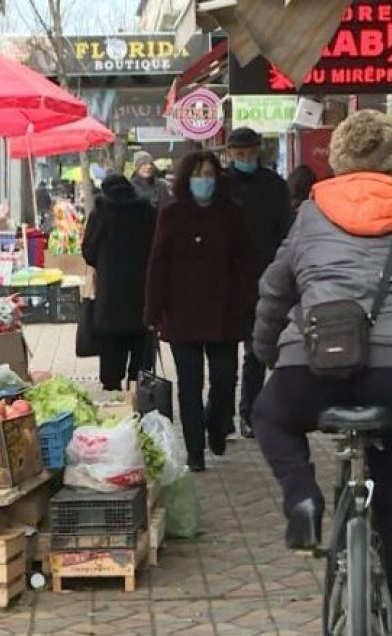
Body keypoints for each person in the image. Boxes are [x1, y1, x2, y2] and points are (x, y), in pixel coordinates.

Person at [251, 110, 392, 636]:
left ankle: (302, 496)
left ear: (337, 160)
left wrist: (269, 355)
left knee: (270, 415)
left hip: (313, 367)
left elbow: (273, 291)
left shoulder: (311, 214)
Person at [144, 150, 257, 472]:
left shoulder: (232, 213)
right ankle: (194, 450)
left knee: (224, 380)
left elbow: (247, 261)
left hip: (225, 310)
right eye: (197, 175)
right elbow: (157, 263)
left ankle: (216, 423)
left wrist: (250, 300)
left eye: (209, 175)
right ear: (185, 179)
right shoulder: (172, 213)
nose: (203, 181)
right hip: (182, 313)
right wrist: (152, 310)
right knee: (189, 385)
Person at [226, 126, 295, 439]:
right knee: (227, 354)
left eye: (251, 153)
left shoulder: (274, 185)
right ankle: (226, 414)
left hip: (267, 278)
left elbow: (287, 231)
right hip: (229, 281)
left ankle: (251, 412)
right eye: (240, 154)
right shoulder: (221, 185)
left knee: (259, 350)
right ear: (230, 154)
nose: (246, 159)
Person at [82, 175, 157, 392]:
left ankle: (114, 400)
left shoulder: (101, 214)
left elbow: (89, 252)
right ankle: (139, 402)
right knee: (141, 364)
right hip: (143, 297)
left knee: (112, 361)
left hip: (111, 299)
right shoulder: (147, 212)